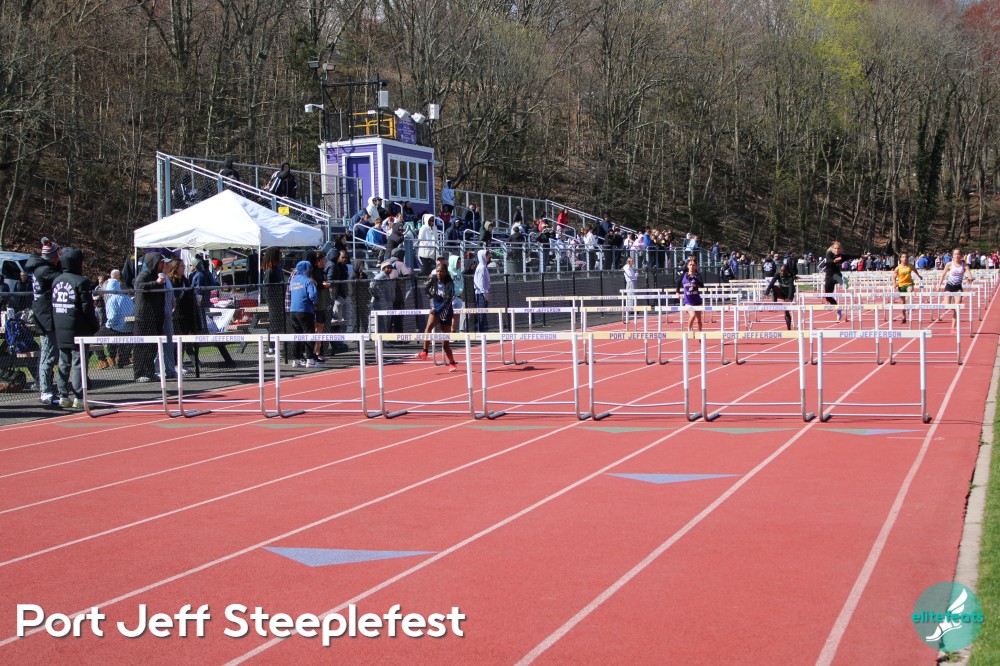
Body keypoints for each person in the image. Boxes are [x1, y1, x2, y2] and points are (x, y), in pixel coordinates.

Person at [51, 248, 99, 409]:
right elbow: (87, 308)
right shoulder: (81, 281)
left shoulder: (57, 280)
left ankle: (63, 395)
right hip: (79, 328)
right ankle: (79, 397)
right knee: (79, 362)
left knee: (63, 362)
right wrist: (94, 325)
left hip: (61, 326)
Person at [25, 238, 64, 404]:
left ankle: (49, 389)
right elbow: (63, 279)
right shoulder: (44, 270)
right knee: (47, 354)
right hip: (45, 316)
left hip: (48, 315)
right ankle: (45, 391)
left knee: (51, 354)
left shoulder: (43, 268)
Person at [416, 263, 458, 372]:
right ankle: (425, 351)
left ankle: (452, 362)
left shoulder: (450, 284)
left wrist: (438, 310)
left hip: (445, 311)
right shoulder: (434, 279)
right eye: (438, 271)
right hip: (436, 308)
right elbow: (426, 289)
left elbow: (447, 301)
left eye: (441, 271)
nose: (439, 273)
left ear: (446, 272)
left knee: (445, 344)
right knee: (428, 327)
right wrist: (432, 296)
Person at [288, 260, 320, 367]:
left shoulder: (293, 281)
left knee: (297, 335)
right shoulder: (308, 281)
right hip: (305, 310)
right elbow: (313, 295)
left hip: (293, 311)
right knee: (309, 334)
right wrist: (315, 302)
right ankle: (310, 359)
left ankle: (296, 359)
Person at [939, 248, 973, 329]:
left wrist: (970, 279)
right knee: (947, 306)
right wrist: (939, 285)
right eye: (955, 254)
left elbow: (969, 275)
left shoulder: (965, 265)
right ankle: (944, 301)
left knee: (957, 308)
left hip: (958, 287)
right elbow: (943, 275)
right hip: (949, 286)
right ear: (953, 255)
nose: (957, 255)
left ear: (961, 255)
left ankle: (953, 327)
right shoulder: (949, 264)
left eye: (958, 254)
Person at [261, 248, 286, 359]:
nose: (281, 257)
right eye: (279, 255)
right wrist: (271, 299)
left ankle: (275, 347)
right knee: (274, 324)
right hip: (273, 301)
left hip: (280, 299)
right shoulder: (270, 271)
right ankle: (271, 349)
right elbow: (266, 288)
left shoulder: (277, 269)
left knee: (279, 324)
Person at [764, 262, 797, 330]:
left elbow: (791, 289)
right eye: (781, 271)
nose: (782, 272)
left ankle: (789, 328)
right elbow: (771, 283)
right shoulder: (777, 275)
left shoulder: (790, 278)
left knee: (786, 312)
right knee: (774, 288)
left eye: (783, 271)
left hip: (789, 295)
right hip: (782, 293)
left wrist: (789, 298)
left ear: (786, 272)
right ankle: (775, 304)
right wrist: (766, 292)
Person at [892, 252, 922, 324]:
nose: (905, 258)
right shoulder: (898, 268)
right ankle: (903, 317)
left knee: (909, 293)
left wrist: (919, 276)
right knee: (902, 303)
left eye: (906, 257)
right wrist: (894, 284)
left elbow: (915, 270)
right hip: (901, 285)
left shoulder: (910, 266)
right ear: (900, 259)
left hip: (909, 283)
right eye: (903, 257)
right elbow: (894, 277)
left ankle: (909, 307)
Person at [677, 256, 704, 332]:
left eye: (693, 265)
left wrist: (694, 278)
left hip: (697, 301)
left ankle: (700, 334)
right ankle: (689, 330)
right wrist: (677, 292)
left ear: (696, 267)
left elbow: (702, 285)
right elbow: (678, 283)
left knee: (699, 321)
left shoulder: (697, 275)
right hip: (688, 301)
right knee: (692, 316)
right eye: (690, 265)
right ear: (687, 266)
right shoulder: (684, 275)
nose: (692, 266)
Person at [823, 240, 847, 321]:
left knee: (838, 279)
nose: (836, 249)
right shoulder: (829, 253)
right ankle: (838, 309)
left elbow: (848, 256)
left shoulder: (839, 254)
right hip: (829, 275)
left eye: (838, 248)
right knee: (827, 296)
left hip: (836, 274)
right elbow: (828, 258)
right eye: (835, 248)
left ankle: (843, 281)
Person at [474, 248, 491, 333]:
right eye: (487, 255)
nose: (489, 256)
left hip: (483, 292)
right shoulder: (481, 267)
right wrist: (484, 293)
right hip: (480, 293)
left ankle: (481, 331)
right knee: (481, 313)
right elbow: (480, 282)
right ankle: (480, 332)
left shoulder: (483, 267)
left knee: (483, 313)